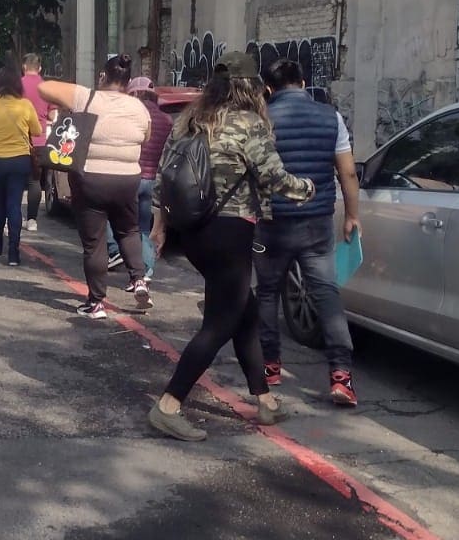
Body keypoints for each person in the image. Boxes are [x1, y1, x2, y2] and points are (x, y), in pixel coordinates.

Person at [147, 52, 315, 441]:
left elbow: (162, 179)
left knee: (244, 313)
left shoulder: (189, 121)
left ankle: (266, 400)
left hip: (192, 233)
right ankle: (169, 405)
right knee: (221, 322)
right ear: (249, 86)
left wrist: (159, 227)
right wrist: (308, 188)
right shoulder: (249, 124)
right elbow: (274, 178)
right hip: (230, 232)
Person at [255, 59, 361, 406]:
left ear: (269, 88)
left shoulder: (262, 119)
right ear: (303, 82)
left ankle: (270, 366)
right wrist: (352, 216)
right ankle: (341, 377)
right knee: (326, 293)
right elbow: (347, 173)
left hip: (272, 223)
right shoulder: (332, 117)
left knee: (268, 292)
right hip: (317, 222)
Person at [39, 55, 153, 314]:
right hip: (127, 180)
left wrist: (77, 97)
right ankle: (138, 280)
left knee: (95, 243)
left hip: (90, 180)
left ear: (103, 76)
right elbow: (145, 140)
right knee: (129, 231)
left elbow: (43, 88)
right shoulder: (139, 109)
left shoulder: (86, 98)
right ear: (128, 82)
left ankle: (96, 302)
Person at [102, 76, 174, 282]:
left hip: (131, 176)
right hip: (153, 181)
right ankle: (147, 269)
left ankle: (115, 250)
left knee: (112, 214)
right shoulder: (167, 120)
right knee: (143, 227)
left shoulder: (131, 114)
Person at [0, 66, 42, 266]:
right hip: (20, 161)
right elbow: (38, 131)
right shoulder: (25, 105)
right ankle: (14, 252)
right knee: (14, 204)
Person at [21, 54, 57, 233]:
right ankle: (32, 220)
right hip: (40, 139)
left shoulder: (17, 85)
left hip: (18, 139)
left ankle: (11, 215)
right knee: (35, 180)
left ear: (24, 67)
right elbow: (52, 116)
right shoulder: (47, 88)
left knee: (16, 178)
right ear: (40, 68)